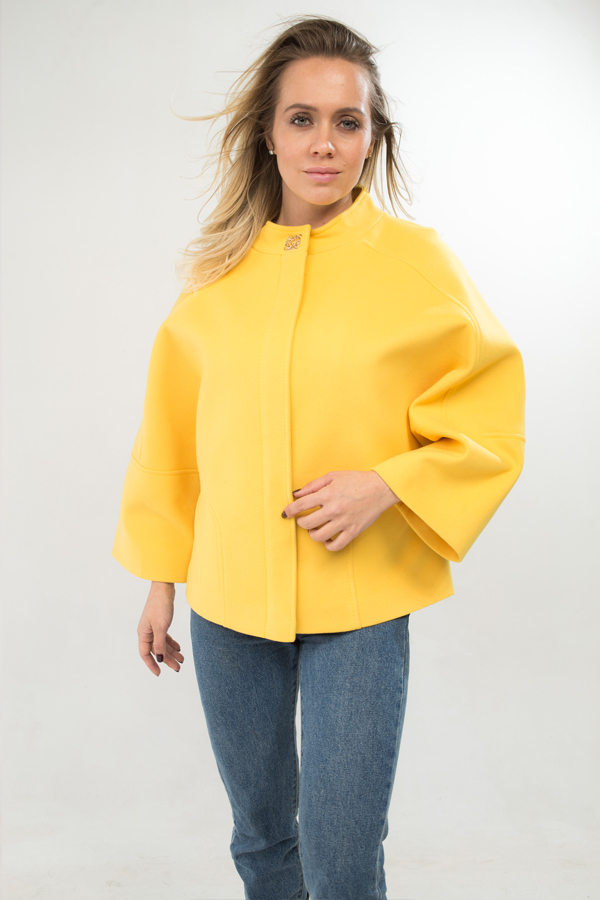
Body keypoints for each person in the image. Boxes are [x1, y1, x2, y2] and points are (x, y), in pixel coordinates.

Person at [111, 14, 526, 900]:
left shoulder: (419, 265)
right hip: (228, 602)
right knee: (261, 839)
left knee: (341, 857)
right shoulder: (215, 278)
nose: (324, 144)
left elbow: (491, 424)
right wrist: (159, 581)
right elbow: (172, 435)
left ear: (374, 138)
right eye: (301, 119)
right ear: (268, 133)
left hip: (359, 604)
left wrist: (389, 483)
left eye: (347, 121)